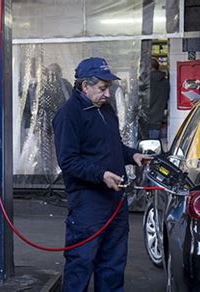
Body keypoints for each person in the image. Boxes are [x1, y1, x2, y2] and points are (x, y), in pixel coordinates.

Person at [53, 57, 151, 292]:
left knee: (113, 265)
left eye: (108, 88)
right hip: (88, 203)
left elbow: (111, 146)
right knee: (81, 263)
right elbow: (68, 161)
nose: (107, 94)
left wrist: (133, 156)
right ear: (85, 86)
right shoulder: (69, 115)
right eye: (102, 88)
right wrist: (101, 175)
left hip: (115, 200)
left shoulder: (105, 110)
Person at [149, 58, 169, 139]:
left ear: (149, 67)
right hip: (159, 121)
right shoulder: (165, 81)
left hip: (147, 121)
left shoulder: (145, 82)